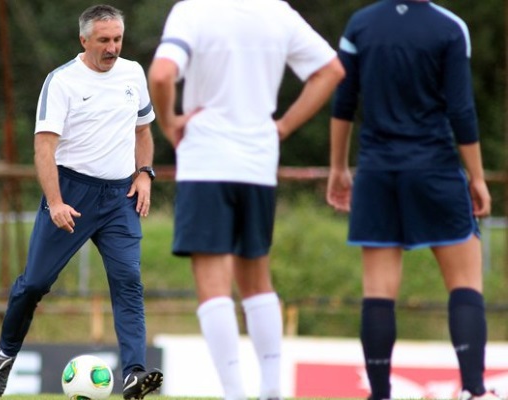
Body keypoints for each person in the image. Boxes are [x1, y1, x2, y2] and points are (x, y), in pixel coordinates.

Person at [148, 1, 345, 399]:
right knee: (257, 281)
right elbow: (332, 71)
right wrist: (284, 126)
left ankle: (234, 393)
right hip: (258, 165)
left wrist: (169, 125)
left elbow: (162, 73)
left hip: (206, 162)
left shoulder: (194, 11)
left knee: (213, 284)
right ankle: (271, 389)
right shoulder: (278, 13)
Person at [0, 5, 162, 399]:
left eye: (117, 39)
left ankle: (134, 373)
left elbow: (143, 132)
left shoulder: (133, 73)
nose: (112, 47)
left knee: (129, 282)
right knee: (34, 285)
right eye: (104, 40)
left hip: (119, 198)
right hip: (71, 195)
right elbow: (43, 150)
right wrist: (56, 201)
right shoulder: (61, 81)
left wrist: (144, 174)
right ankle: (4, 355)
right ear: (84, 40)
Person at [326, 1, 499, 400]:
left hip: (376, 172)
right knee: (465, 284)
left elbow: (344, 102)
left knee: (378, 291)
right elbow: (461, 109)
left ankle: (381, 394)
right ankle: (474, 391)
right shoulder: (449, 28)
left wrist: (338, 167)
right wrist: (476, 177)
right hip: (435, 168)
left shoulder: (360, 24)